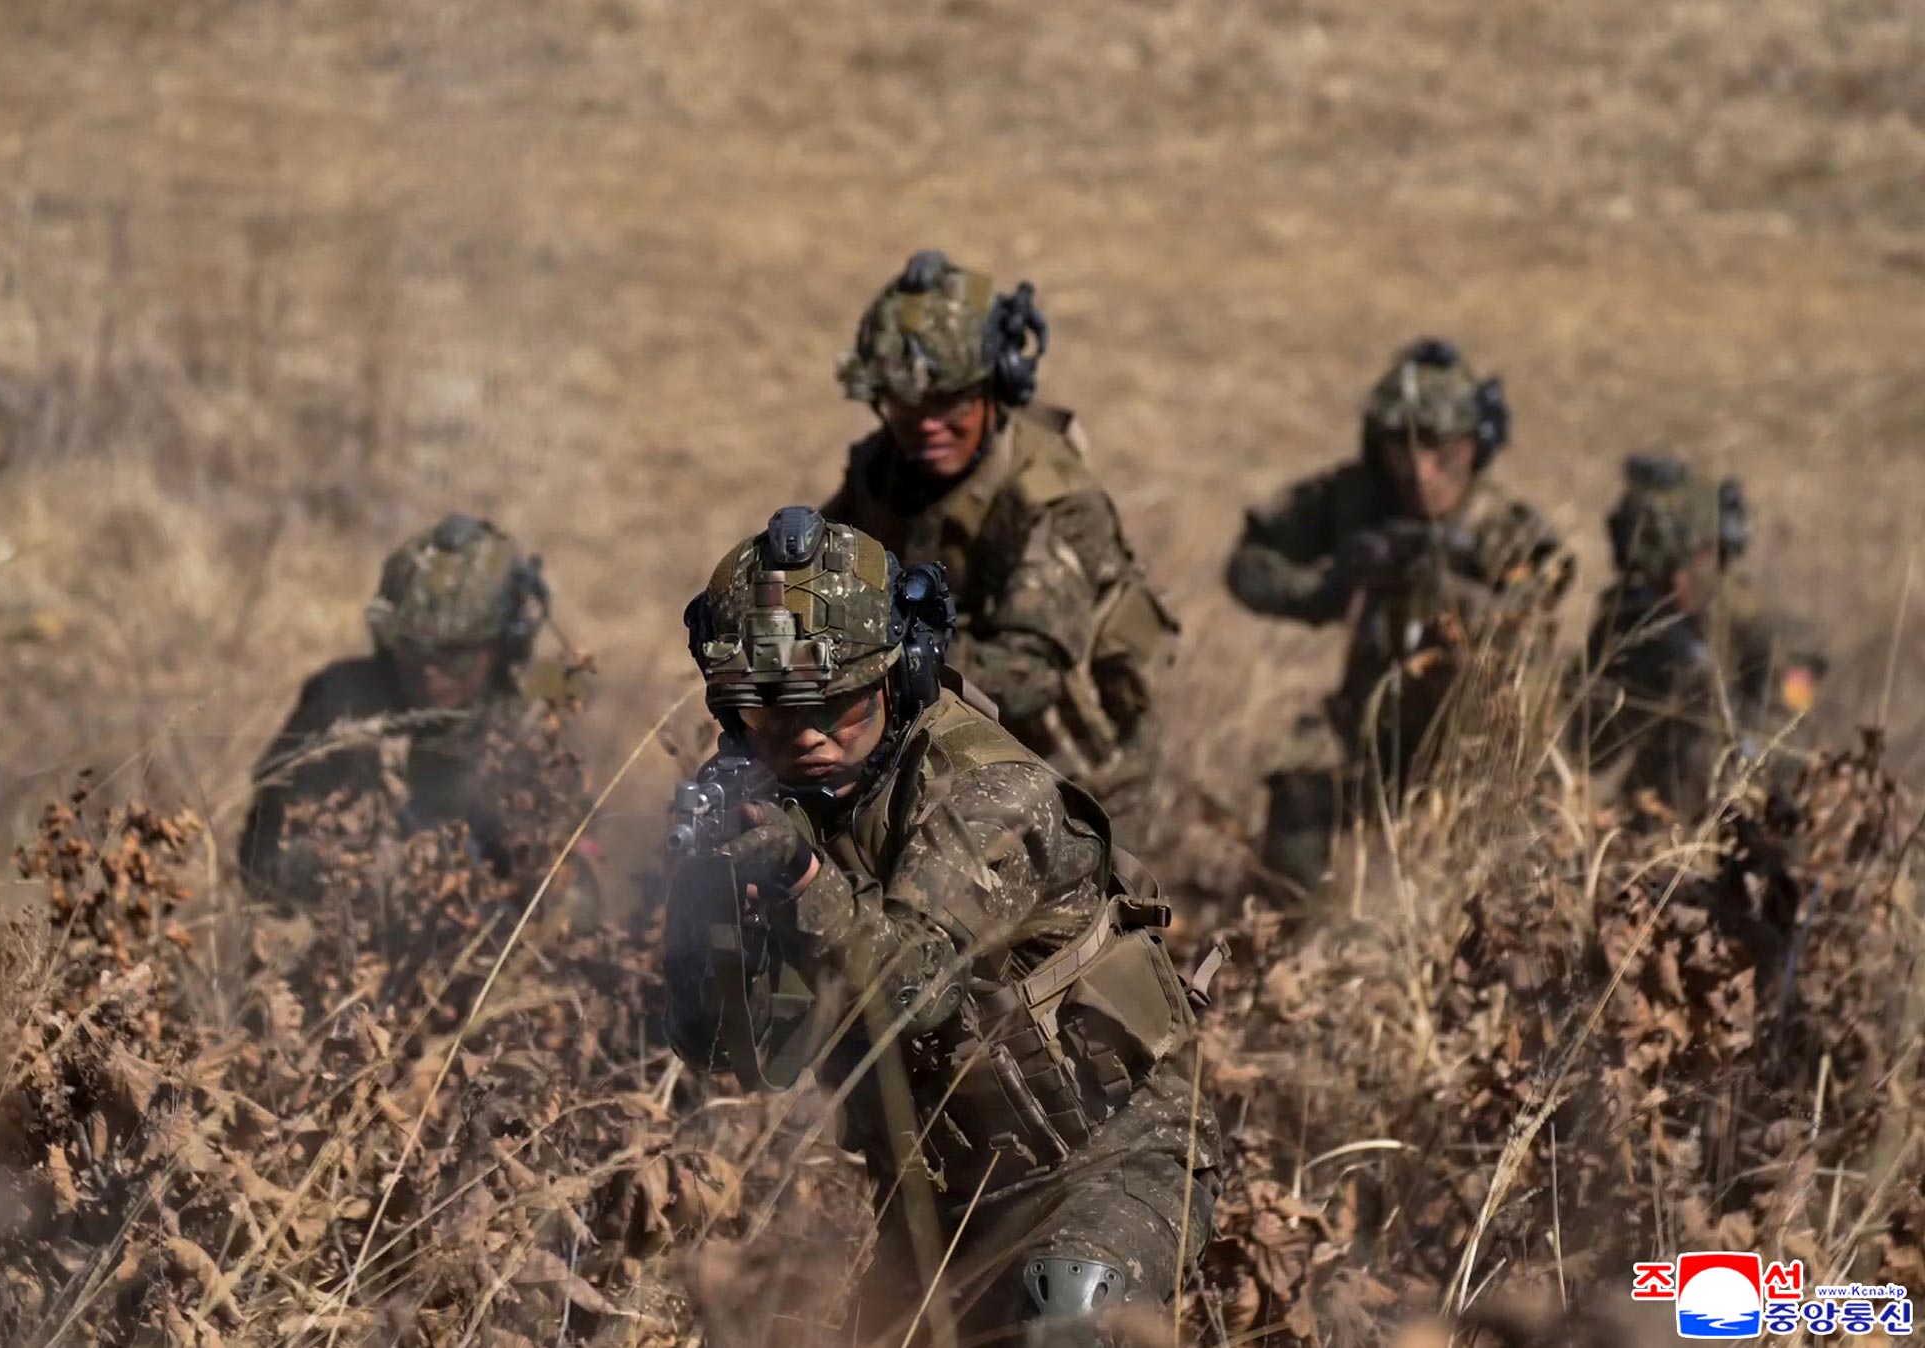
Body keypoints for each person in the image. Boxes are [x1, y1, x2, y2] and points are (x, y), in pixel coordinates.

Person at [662, 506, 1221, 1346]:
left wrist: (800, 878)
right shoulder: (767, 802)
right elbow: (732, 1057)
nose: (808, 736)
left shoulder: (989, 792)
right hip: (942, 1209)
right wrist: (718, 907)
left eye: (840, 704)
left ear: (900, 676)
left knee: (1066, 1320)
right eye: (771, 710)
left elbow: (915, 987)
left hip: (1109, 1162)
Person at [821, 250, 1179, 850]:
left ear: (998, 388)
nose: (927, 424)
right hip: (948, 746)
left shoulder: (1054, 500)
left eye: (952, 401)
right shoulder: (883, 473)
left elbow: (1026, 672)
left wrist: (868, 671)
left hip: (1078, 783)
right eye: (905, 404)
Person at [1225, 337, 1573, 898]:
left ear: (1475, 444)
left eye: (1441, 451)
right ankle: (1284, 938)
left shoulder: (1508, 530)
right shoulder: (1353, 500)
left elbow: (1537, 622)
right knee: (1302, 773)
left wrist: (1448, 588)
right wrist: (1330, 589)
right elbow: (1247, 565)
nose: (1419, 470)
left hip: (1471, 737)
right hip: (1367, 723)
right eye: (1400, 450)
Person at [238, 512, 571, 898]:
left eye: (455, 654)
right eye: (412, 649)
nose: (430, 672)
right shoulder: (342, 704)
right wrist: (351, 869)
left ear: (503, 646)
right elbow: (262, 860)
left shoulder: (532, 723)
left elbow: (576, 890)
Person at [1579, 452, 1823, 818]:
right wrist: (1643, 688)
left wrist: (1718, 719)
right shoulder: (1628, 624)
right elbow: (1588, 751)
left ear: (1718, 550)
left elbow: (1795, 749)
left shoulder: (1762, 628)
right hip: (1645, 829)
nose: (1679, 583)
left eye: (1694, 560)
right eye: (1662, 571)